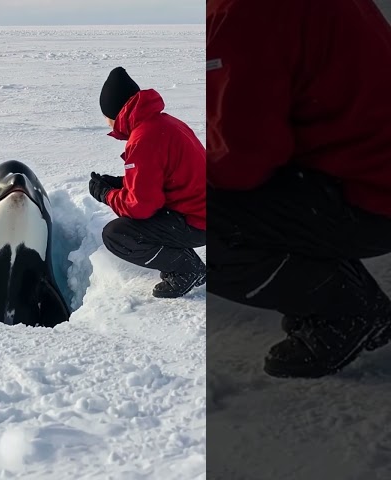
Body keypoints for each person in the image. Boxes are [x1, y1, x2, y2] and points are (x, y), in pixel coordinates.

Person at [206, 0, 391, 378]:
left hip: (369, 194)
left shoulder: (241, 13)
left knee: (189, 218)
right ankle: (349, 294)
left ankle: (344, 312)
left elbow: (241, 162)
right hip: (366, 173)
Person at [89, 67, 206, 298]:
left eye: (105, 115)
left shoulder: (144, 138)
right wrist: (121, 184)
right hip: (199, 212)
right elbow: (161, 179)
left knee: (117, 234)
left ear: (115, 112)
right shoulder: (163, 123)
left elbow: (141, 207)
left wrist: (106, 195)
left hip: (196, 221)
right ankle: (190, 266)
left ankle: (186, 270)